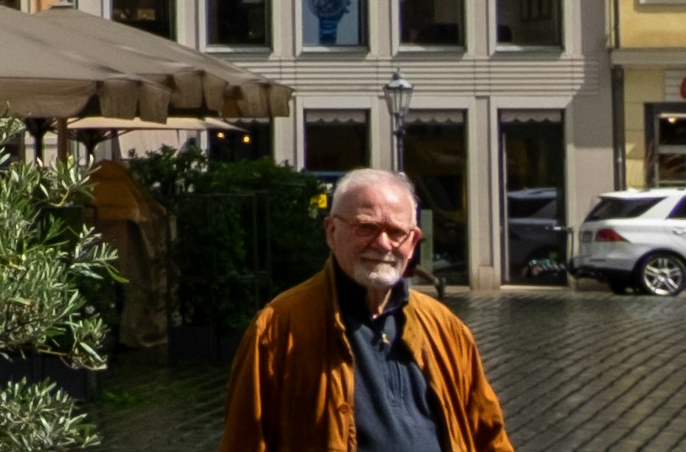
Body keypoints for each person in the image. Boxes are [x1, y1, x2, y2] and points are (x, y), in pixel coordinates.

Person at [218, 166, 515, 452]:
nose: (383, 243)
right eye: (366, 227)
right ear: (331, 232)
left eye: (396, 232)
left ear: (412, 242)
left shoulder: (445, 328)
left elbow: (487, 433)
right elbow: (244, 440)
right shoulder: (279, 328)